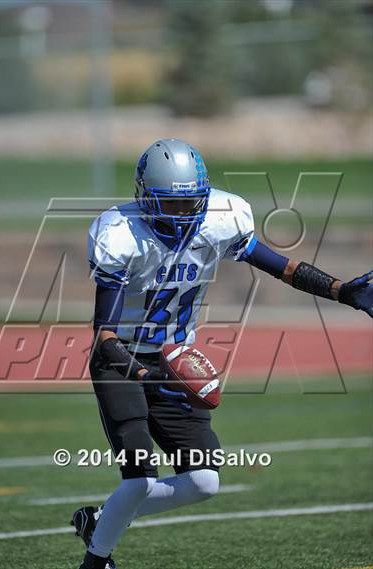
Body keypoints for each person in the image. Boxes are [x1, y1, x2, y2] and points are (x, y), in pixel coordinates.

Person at [71, 139, 372, 569]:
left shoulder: (221, 219)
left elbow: (282, 268)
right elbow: (104, 336)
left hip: (175, 357)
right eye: (169, 205)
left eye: (190, 203)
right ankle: (96, 560)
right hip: (122, 362)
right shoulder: (121, 234)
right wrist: (142, 376)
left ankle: (98, 522)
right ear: (145, 197)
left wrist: (339, 290)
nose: (181, 216)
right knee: (138, 479)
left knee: (204, 482)